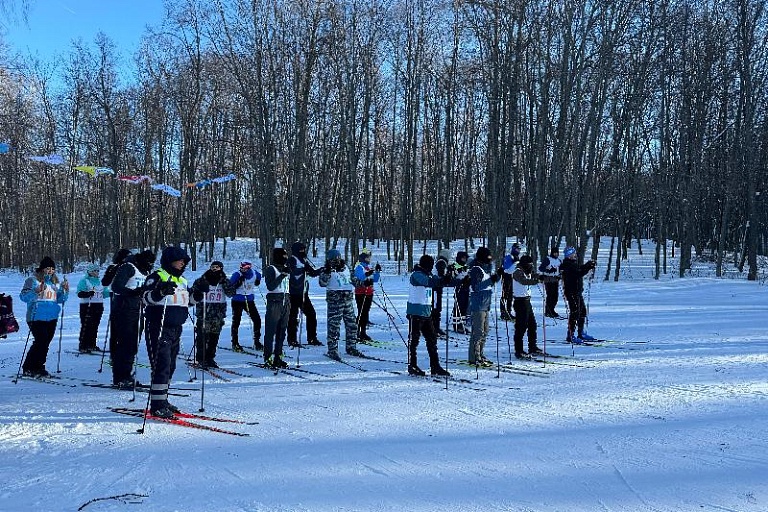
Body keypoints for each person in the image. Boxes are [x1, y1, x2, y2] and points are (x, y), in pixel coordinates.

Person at [143, 246, 205, 418]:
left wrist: (198, 294)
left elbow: (187, 302)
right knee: (160, 365)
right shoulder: (157, 276)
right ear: (170, 260)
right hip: (158, 326)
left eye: (185, 261)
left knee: (170, 366)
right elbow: (145, 297)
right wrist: (159, 291)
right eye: (180, 260)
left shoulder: (182, 280)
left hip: (176, 328)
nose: (183, 263)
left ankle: (163, 399)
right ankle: (156, 405)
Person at [110, 249, 155, 388]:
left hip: (138, 310)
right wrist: (133, 292)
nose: (150, 265)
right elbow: (116, 286)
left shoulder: (145, 271)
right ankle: (120, 376)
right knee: (126, 343)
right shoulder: (128, 267)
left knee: (133, 344)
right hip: (124, 309)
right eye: (149, 262)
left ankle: (126, 374)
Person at [19, 256, 69, 378]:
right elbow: (23, 297)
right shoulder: (32, 280)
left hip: (51, 317)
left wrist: (64, 291)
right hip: (36, 317)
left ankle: (39, 367)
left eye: (52, 268)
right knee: (40, 341)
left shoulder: (53, 283)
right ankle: (28, 367)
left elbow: (60, 300)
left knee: (45, 343)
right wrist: (35, 291)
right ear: (42, 269)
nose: (50, 271)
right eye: (48, 268)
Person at [406, 255, 451, 376]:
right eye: (430, 265)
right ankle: (412, 365)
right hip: (415, 312)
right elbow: (429, 282)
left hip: (426, 312)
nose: (431, 268)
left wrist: (451, 278)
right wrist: (442, 280)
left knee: (432, 339)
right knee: (414, 340)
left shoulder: (429, 274)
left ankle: (435, 366)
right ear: (426, 265)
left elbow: (439, 281)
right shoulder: (416, 275)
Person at [319, 249, 364, 360]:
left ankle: (351, 347)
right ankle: (332, 350)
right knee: (334, 327)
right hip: (335, 302)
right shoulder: (326, 270)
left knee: (352, 325)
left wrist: (364, 283)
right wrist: (328, 272)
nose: (335, 262)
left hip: (347, 301)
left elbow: (354, 280)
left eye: (337, 260)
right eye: (332, 260)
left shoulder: (346, 268)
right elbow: (322, 283)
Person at [191, 261, 236, 368]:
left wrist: (225, 283)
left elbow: (231, 293)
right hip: (204, 313)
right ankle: (201, 358)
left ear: (221, 268)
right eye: (213, 267)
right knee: (202, 337)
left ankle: (210, 358)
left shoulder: (224, 281)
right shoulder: (202, 280)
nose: (214, 269)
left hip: (218, 314)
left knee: (214, 338)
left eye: (217, 267)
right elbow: (193, 293)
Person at [467, 247, 504, 366]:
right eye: (487, 257)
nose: (490, 259)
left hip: (486, 303)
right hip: (478, 304)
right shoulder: (476, 269)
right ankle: (474, 357)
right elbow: (476, 287)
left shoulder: (486, 268)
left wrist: (498, 275)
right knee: (477, 332)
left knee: (485, 331)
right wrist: (491, 280)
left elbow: (490, 282)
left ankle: (480, 354)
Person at [286, 241, 323, 347]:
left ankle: (312, 338)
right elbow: (291, 273)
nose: (303, 251)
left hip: (303, 293)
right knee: (293, 317)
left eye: (304, 249)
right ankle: (292, 339)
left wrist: (321, 270)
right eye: (301, 249)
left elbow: (311, 273)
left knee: (311, 314)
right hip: (293, 293)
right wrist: (302, 270)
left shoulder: (304, 260)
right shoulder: (292, 260)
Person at [560, 246, 597, 344]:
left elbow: (580, 269)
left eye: (574, 253)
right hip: (571, 292)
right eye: (572, 254)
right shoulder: (567, 265)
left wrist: (588, 265)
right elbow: (578, 273)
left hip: (577, 292)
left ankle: (581, 333)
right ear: (568, 255)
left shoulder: (572, 264)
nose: (574, 255)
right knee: (575, 312)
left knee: (583, 312)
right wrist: (588, 267)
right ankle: (570, 335)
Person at [262, 247, 291, 368]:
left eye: (286, 256)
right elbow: (270, 286)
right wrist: (282, 275)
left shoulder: (285, 269)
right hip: (275, 300)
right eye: (283, 256)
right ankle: (268, 357)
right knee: (271, 331)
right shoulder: (271, 269)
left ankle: (278, 356)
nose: (285, 258)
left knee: (282, 331)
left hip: (286, 300)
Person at [511, 255, 544, 359]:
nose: (531, 266)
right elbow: (523, 281)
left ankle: (532, 347)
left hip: (527, 301)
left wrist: (544, 277)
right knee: (521, 327)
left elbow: (535, 275)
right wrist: (536, 281)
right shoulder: (517, 272)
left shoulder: (527, 271)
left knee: (532, 325)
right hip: (519, 302)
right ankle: (519, 350)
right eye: (529, 264)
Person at [229, 261, 263, 352]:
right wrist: (237, 284)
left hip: (249, 300)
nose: (242, 269)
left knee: (257, 320)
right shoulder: (237, 274)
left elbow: (259, 277)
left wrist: (258, 282)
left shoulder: (254, 273)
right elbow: (228, 287)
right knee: (236, 321)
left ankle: (257, 342)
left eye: (245, 268)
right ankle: (235, 343)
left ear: (249, 268)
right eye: (241, 267)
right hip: (237, 300)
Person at [76, 263, 109, 353]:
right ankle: (83, 345)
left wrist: (111, 293)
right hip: (87, 305)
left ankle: (92, 344)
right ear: (90, 272)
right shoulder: (84, 281)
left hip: (98, 306)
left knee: (95, 326)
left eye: (98, 270)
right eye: (95, 271)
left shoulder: (100, 282)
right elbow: (79, 293)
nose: (97, 272)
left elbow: (105, 293)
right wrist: (87, 293)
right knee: (87, 325)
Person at [353, 248, 381, 342]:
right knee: (361, 312)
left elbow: (375, 279)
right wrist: (367, 274)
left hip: (369, 293)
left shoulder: (368, 267)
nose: (370, 259)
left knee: (365, 313)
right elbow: (360, 277)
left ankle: (363, 332)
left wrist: (377, 271)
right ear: (364, 258)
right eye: (368, 258)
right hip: (361, 293)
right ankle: (356, 332)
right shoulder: (359, 267)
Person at [430, 249, 451, 336]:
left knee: (436, 308)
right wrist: (446, 278)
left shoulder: (440, 262)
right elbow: (441, 275)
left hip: (437, 288)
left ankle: (436, 327)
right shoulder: (441, 262)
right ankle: (434, 328)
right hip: (435, 289)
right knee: (435, 308)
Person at [538, 246, 563, 318]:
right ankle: (548, 311)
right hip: (548, 279)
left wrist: (560, 275)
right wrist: (548, 270)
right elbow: (541, 268)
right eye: (554, 253)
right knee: (550, 296)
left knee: (555, 296)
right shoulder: (547, 259)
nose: (556, 254)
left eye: (557, 253)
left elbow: (560, 269)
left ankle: (552, 309)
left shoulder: (559, 260)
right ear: (552, 253)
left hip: (555, 280)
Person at [451, 251, 471, 334]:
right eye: (463, 258)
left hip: (466, 289)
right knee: (458, 307)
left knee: (464, 307)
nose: (465, 259)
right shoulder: (455, 266)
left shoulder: (466, 266)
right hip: (459, 289)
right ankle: (456, 326)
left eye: (465, 258)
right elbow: (452, 277)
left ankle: (462, 324)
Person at [500, 243, 521, 321]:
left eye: (519, 249)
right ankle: (503, 312)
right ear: (513, 249)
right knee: (505, 295)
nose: (518, 251)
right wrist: (515, 263)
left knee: (510, 296)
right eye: (517, 249)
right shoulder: (509, 257)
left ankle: (508, 312)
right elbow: (506, 268)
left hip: (513, 278)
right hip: (506, 277)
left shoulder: (517, 257)